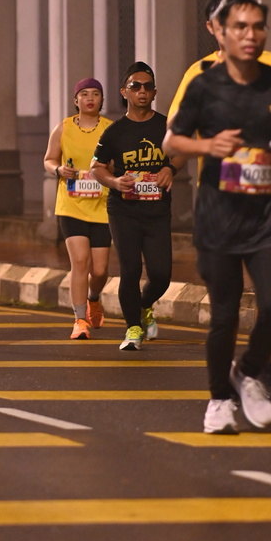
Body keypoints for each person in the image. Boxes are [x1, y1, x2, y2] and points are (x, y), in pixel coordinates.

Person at [164, 0, 271, 434]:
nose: (251, 35)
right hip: (218, 217)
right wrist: (208, 145)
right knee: (225, 315)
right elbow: (172, 142)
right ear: (221, 32)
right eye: (241, 27)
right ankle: (218, 401)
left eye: (258, 26)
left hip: (266, 215)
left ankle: (246, 372)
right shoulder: (203, 83)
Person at [91, 63, 183, 351]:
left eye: (147, 86)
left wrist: (169, 168)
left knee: (161, 275)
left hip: (157, 212)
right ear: (124, 92)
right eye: (135, 86)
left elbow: (181, 153)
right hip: (124, 211)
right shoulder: (115, 132)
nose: (142, 91)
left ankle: (143, 306)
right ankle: (133, 328)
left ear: (154, 92)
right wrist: (114, 182)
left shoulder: (166, 126)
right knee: (129, 270)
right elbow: (96, 168)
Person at [43, 78, 112, 339]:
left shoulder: (110, 129)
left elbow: (118, 163)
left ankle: (94, 297)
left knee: (100, 270)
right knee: (80, 261)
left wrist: (108, 170)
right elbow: (49, 159)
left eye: (95, 94)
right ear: (76, 100)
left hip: (102, 206)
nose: (90, 98)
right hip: (71, 205)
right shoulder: (63, 128)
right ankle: (79, 319)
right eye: (84, 94)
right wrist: (59, 169)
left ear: (102, 100)